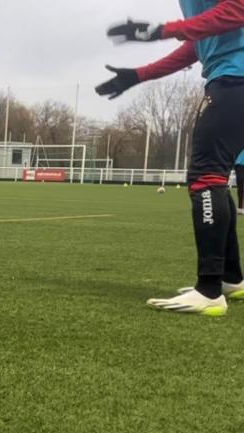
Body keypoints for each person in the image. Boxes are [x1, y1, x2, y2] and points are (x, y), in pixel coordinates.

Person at [98, 3, 244, 315]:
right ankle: (230, 279)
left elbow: (238, 9)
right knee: (213, 176)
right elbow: (201, 42)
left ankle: (209, 289)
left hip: (235, 81)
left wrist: (163, 31)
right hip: (232, 81)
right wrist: (140, 75)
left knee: (206, 177)